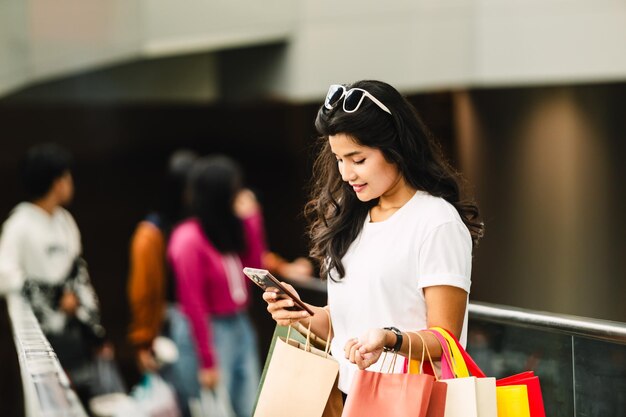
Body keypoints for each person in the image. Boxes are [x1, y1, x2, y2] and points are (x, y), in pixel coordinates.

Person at [263, 80, 485, 395]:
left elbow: (445, 341)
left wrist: (390, 340)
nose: (345, 174)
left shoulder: (436, 222)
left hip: (407, 403)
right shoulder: (354, 220)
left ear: (396, 149)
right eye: (339, 159)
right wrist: (299, 313)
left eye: (358, 159)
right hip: (349, 399)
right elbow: (343, 329)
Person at [0, 143, 107, 405]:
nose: (71, 182)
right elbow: (5, 276)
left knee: (86, 400)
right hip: (40, 337)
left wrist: (96, 332)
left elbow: (80, 276)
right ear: (56, 182)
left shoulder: (65, 221)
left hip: (74, 333)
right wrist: (54, 297)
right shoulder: (19, 224)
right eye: (67, 176)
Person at [168, 155, 266, 417]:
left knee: (249, 406)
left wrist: (253, 221)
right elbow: (193, 303)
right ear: (220, 194)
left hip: (239, 323)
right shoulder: (188, 238)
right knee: (215, 411)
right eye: (235, 189)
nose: (241, 194)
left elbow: (254, 271)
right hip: (208, 330)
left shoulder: (228, 229)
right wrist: (207, 361)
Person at [127, 149, 199, 417]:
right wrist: (143, 340)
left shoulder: (195, 225)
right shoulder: (151, 233)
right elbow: (142, 292)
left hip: (197, 323)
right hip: (169, 324)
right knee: (175, 401)